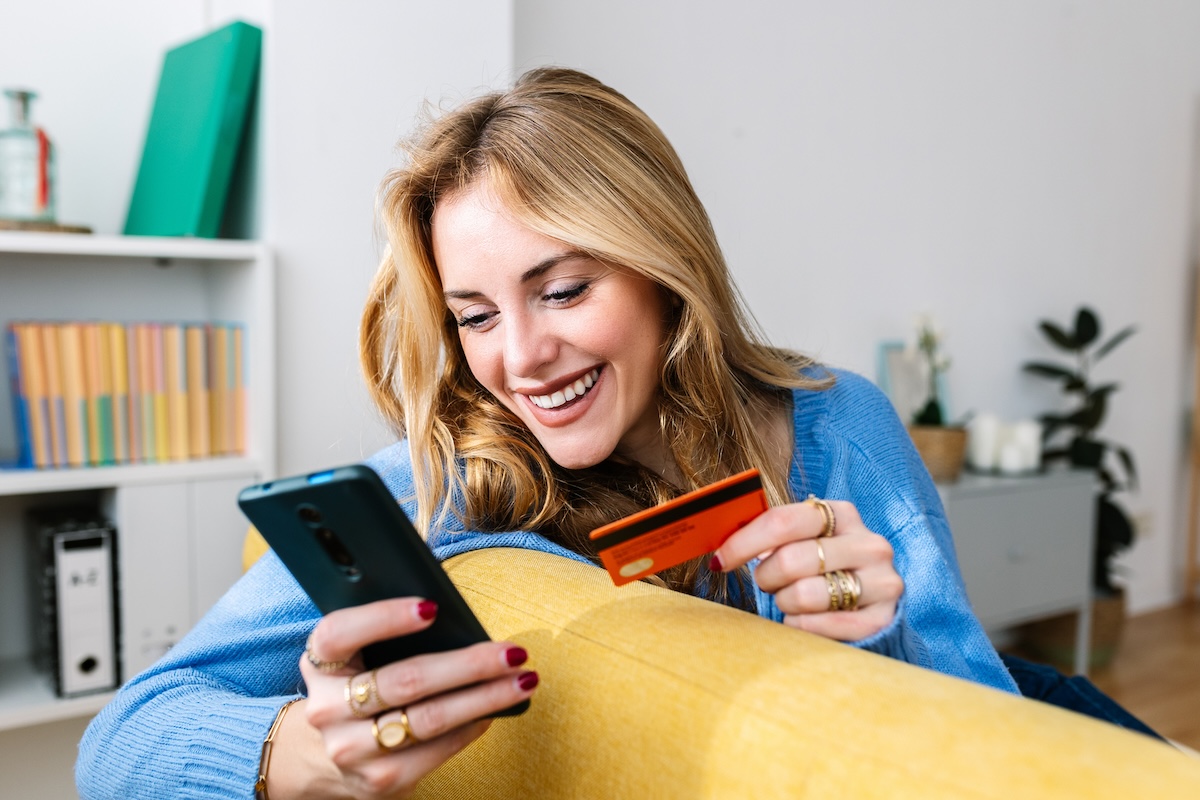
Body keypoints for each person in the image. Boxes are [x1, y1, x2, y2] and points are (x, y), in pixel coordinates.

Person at [76, 67, 1158, 799]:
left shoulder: (832, 425)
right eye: (476, 315)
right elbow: (118, 737)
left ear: (659, 267)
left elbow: (987, 738)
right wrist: (290, 752)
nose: (522, 357)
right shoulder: (435, 483)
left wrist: (887, 628)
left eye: (563, 288)